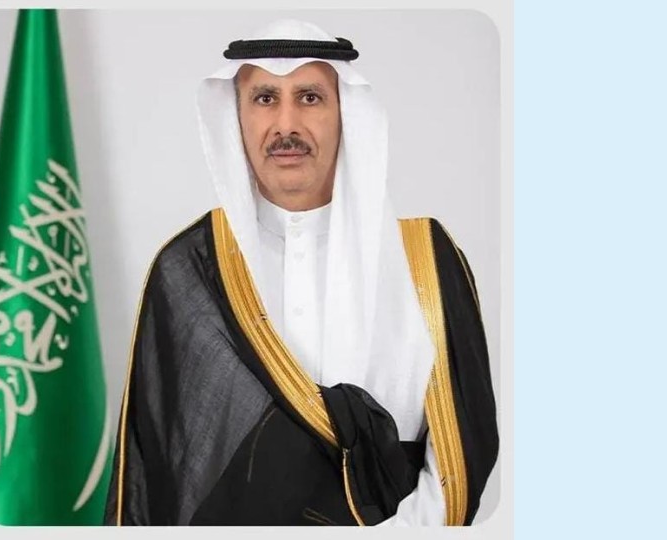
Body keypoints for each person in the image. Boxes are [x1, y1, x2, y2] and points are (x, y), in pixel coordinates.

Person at [103, 19, 498, 526]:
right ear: (237, 116)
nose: (285, 124)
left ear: (345, 113)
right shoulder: (190, 268)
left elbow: (459, 458)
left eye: (309, 98)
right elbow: (161, 466)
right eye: (265, 98)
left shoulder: (424, 259)